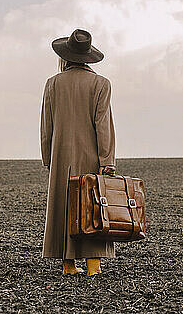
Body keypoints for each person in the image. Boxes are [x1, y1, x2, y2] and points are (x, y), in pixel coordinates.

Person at [40, 28, 117, 276]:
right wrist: (107, 160)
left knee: (64, 206)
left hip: (60, 156)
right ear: (88, 57)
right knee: (92, 207)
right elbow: (103, 125)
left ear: (65, 56)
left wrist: (47, 157)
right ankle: (93, 266)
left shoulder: (53, 83)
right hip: (91, 157)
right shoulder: (101, 84)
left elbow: (46, 126)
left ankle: (68, 265)